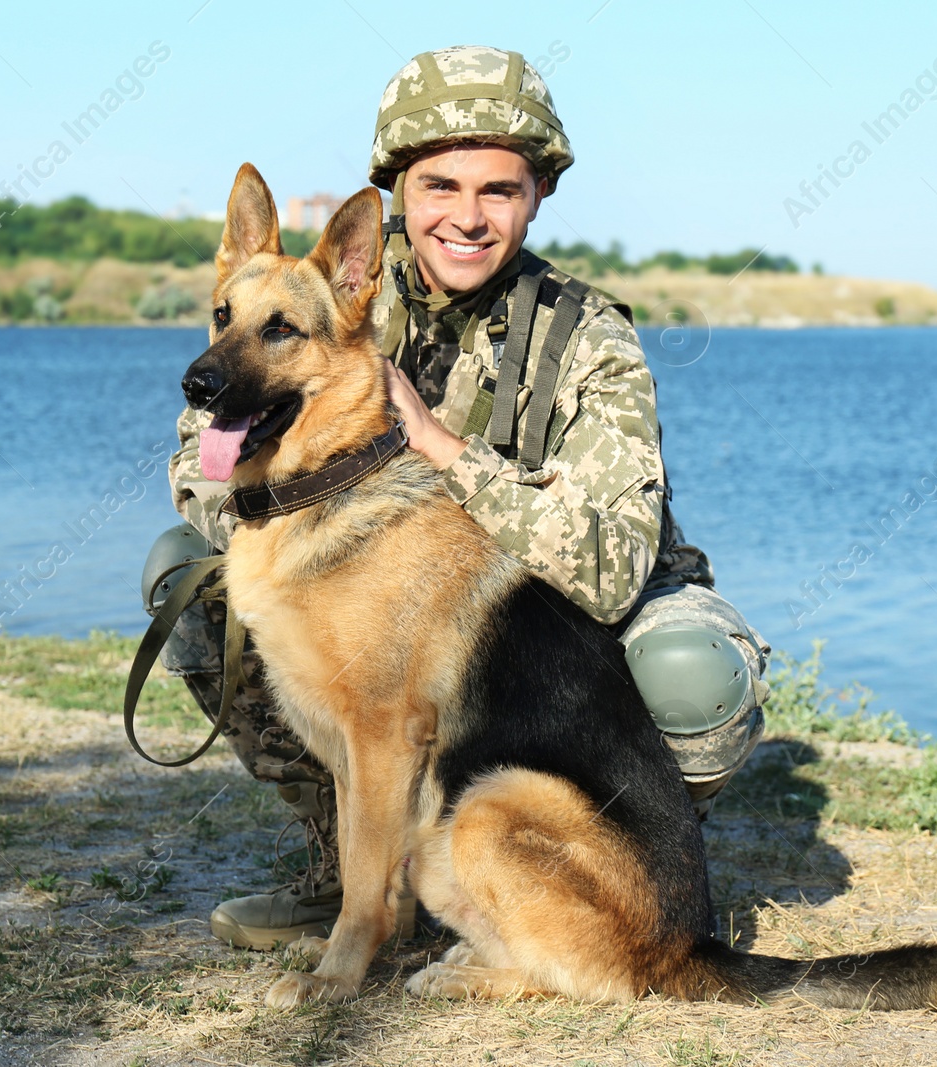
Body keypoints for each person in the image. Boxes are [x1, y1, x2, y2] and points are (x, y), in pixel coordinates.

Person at [142, 45, 770, 951]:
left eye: (498, 191)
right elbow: (197, 461)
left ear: (539, 193)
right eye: (440, 186)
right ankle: (359, 870)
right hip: (401, 609)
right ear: (398, 187)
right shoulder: (325, 283)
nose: (466, 218)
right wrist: (300, 509)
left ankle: (604, 883)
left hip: (579, 620)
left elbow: (610, 567)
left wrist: (442, 448)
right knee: (196, 588)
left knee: (691, 674)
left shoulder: (585, 333)